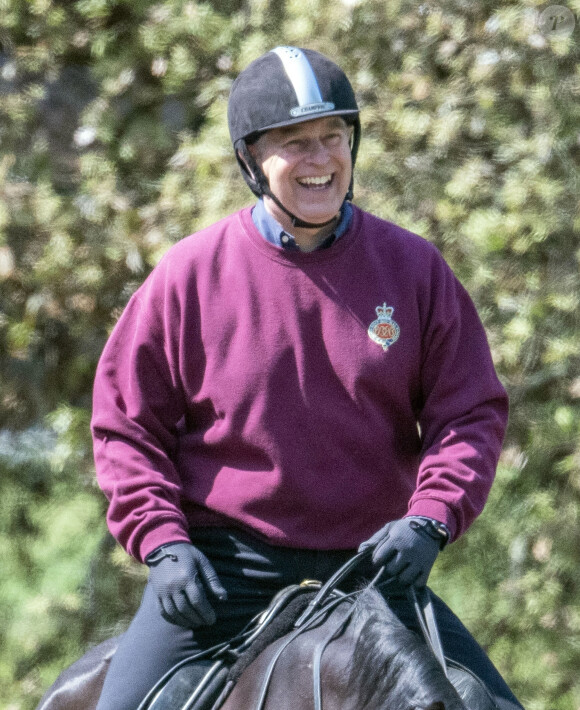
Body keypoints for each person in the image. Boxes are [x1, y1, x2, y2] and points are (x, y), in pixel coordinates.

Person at [91, 46, 523, 709]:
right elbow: (126, 425)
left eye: (334, 137)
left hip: (372, 564)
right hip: (226, 566)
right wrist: (163, 543)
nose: (321, 159)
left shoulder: (414, 269)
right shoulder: (188, 275)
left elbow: (469, 413)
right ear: (251, 161)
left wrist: (429, 521)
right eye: (296, 144)